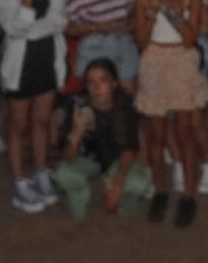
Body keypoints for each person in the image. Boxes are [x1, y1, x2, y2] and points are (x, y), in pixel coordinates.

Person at [133, 0, 208, 227]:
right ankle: (161, 191)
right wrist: (152, 13)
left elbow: (190, 39)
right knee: (157, 133)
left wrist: (173, 13)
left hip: (182, 59)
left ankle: (189, 195)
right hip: (154, 57)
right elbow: (141, 41)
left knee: (185, 133)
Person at [0, 0, 67, 214]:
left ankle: (40, 171)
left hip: (46, 56)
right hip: (20, 62)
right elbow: (13, 29)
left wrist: (35, 24)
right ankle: (20, 179)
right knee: (18, 125)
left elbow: (60, 20)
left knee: (41, 121)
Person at [49, 58, 149, 218]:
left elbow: (130, 148)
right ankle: (79, 197)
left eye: (103, 80)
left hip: (117, 158)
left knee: (139, 184)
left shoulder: (125, 106)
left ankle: (123, 199)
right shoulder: (77, 106)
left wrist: (119, 181)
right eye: (91, 82)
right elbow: (67, 158)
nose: (97, 87)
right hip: (89, 159)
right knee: (63, 174)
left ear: (114, 83)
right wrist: (76, 132)